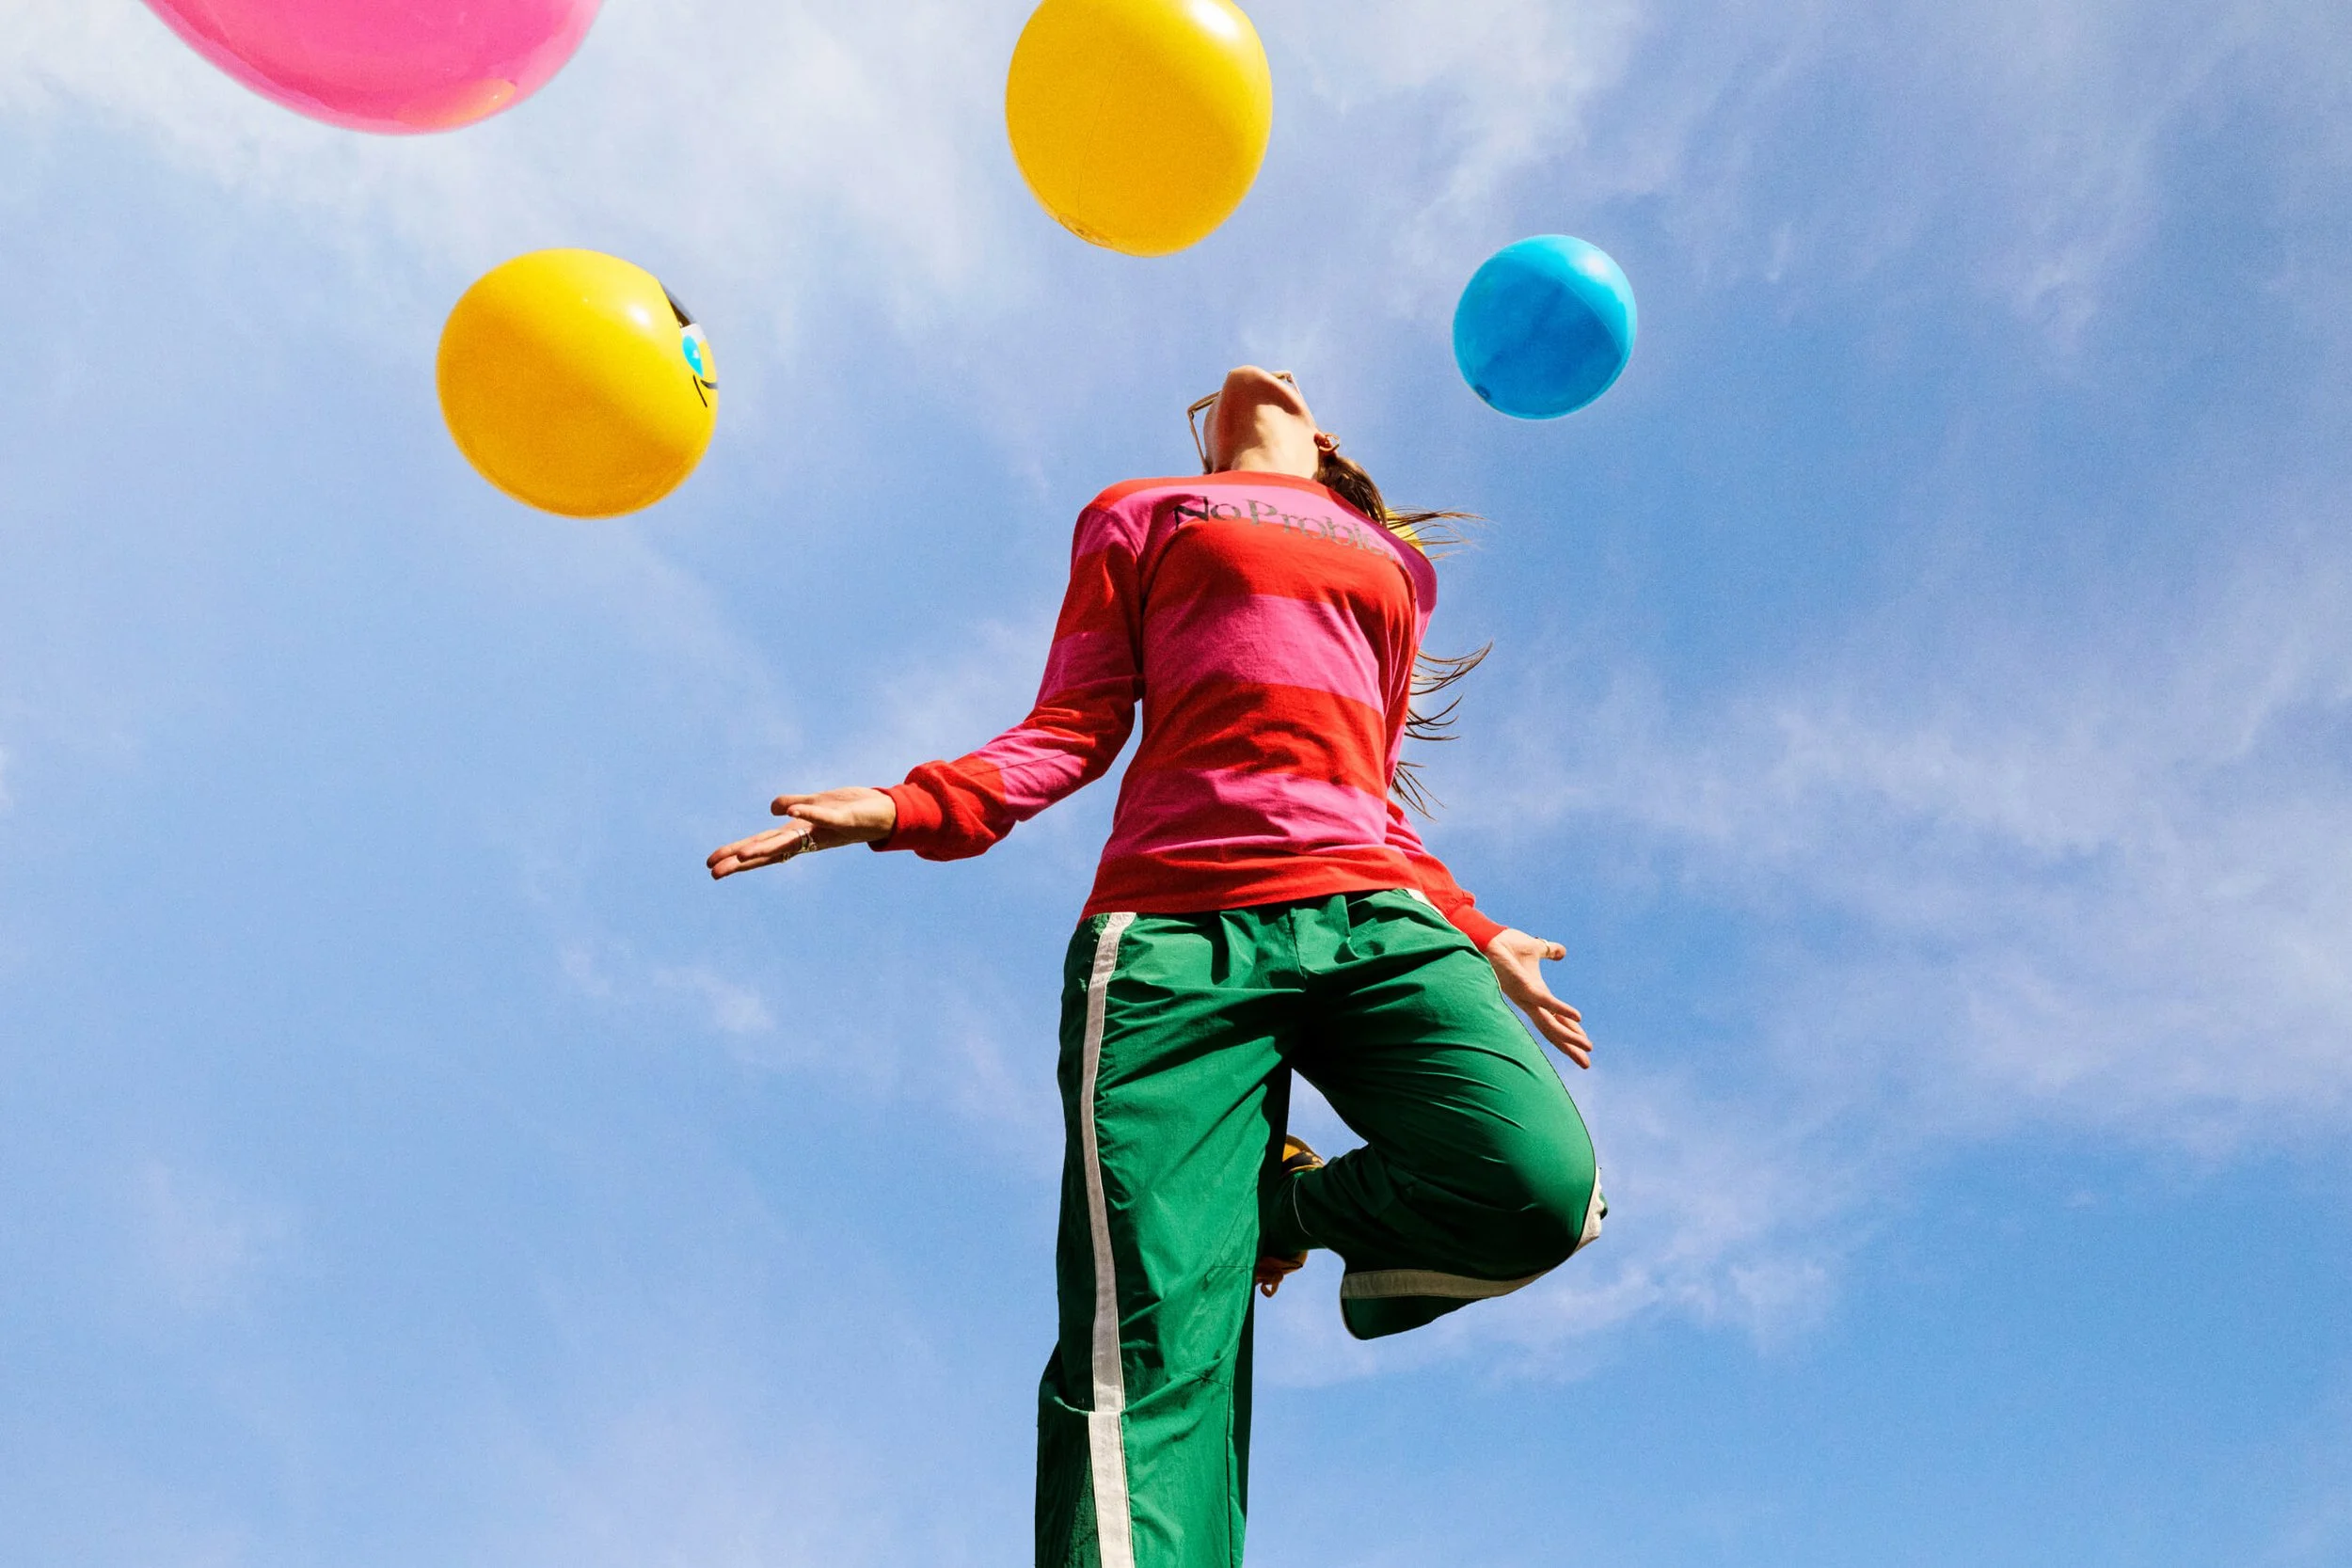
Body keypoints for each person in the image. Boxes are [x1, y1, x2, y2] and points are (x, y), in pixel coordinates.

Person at [707, 367, 1605, 1568]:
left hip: (1373, 913)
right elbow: (1073, 724)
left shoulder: (1395, 567)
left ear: (1326, 441)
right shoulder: (1139, 511)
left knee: (1539, 1183)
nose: (1262, 373)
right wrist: (906, 803)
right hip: (1175, 935)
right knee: (1149, 1347)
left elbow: (1369, 794)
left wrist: (1481, 932)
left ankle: (1275, 1204)